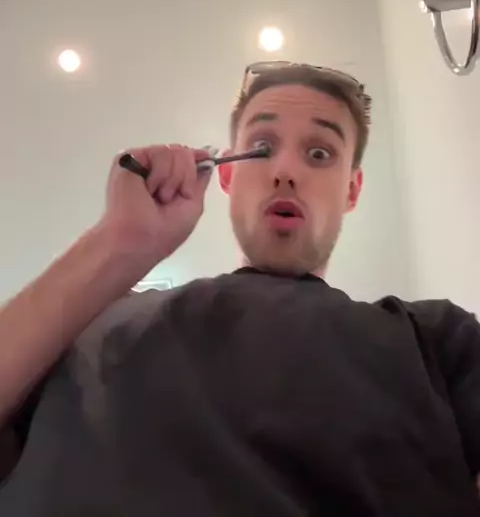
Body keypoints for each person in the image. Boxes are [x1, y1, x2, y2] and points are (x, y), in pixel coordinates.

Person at [1, 61, 480, 516]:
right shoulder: (90, 321)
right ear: (227, 174)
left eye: (319, 154)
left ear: (351, 190)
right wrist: (118, 243)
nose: (285, 172)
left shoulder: (436, 341)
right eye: (263, 146)